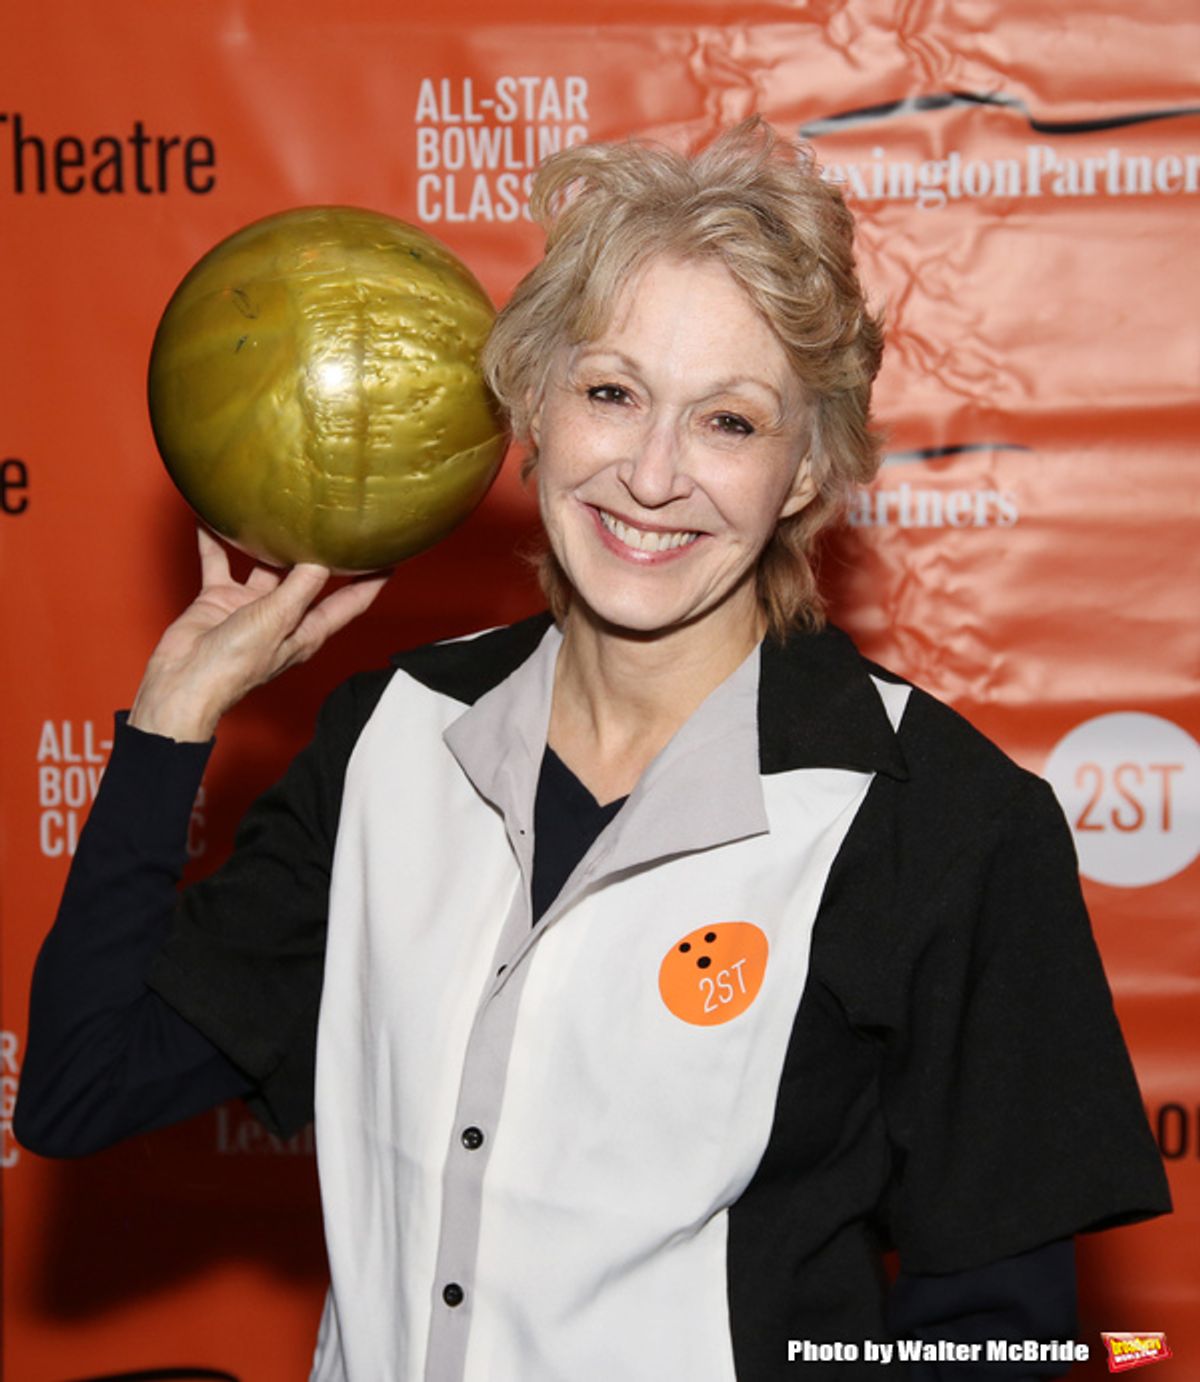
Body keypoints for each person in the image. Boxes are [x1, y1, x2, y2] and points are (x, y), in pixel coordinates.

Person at [17, 118, 1169, 1381]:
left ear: (804, 470)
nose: (654, 473)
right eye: (612, 392)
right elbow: (79, 1083)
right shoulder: (387, 739)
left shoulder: (939, 820)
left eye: (730, 421)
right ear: (536, 405)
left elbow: (997, 1338)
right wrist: (175, 714)